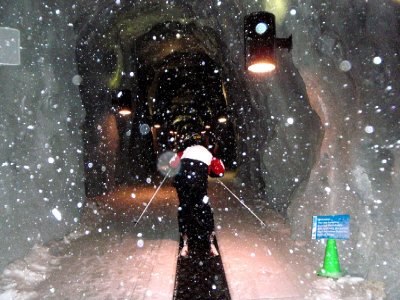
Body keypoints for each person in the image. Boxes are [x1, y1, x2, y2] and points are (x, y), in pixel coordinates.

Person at [169, 133, 225, 257]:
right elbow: (219, 170)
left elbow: (172, 164)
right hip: (198, 183)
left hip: (182, 182)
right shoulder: (207, 153)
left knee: (184, 206)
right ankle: (208, 239)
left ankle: (186, 238)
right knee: (204, 209)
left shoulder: (184, 151)